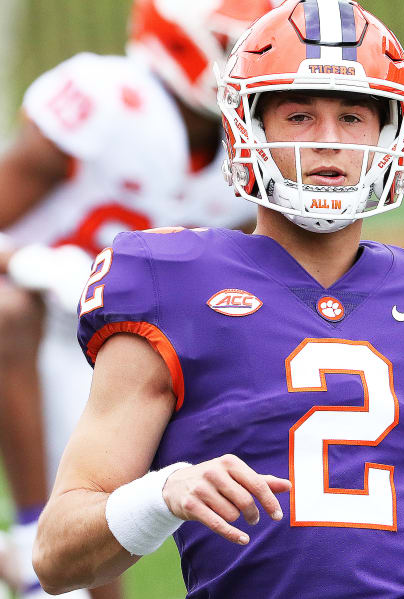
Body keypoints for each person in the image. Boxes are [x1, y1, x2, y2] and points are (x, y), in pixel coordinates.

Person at [32, 1, 404, 598]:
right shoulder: (171, 280)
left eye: (353, 117)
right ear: (250, 128)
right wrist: (163, 494)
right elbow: (57, 558)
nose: (328, 140)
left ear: (389, 132)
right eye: (299, 115)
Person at [0, 1, 275, 597]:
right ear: (178, 40)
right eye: (235, 47)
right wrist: (30, 262)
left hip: (117, 339)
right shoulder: (108, 101)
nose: (252, 63)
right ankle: (24, 534)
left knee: (96, 564)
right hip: (35, 311)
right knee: (8, 312)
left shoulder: (252, 141)